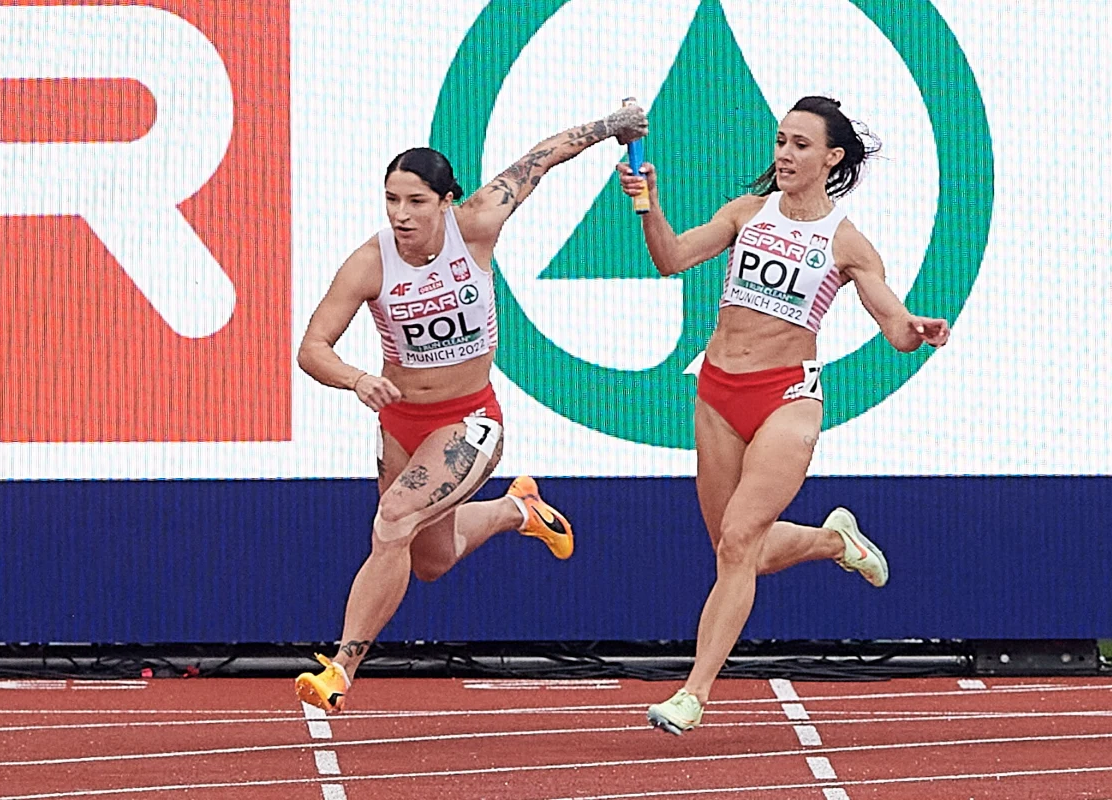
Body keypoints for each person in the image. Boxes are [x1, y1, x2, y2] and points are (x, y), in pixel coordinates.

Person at [294, 104, 648, 713]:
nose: (401, 215)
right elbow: (312, 348)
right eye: (391, 201)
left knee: (392, 521)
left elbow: (541, 159)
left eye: (416, 202)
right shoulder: (371, 261)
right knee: (430, 560)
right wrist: (356, 380)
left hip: (470, 421)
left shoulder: (478, 224)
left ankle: (342, 667)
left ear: (447, 201)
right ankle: (519, 509)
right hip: (402, 423)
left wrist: (612, 126)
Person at [618, 96, 950, 735]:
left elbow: (891, 319)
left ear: (832, 157)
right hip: (716, 394)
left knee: (741, 539)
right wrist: (647, 202)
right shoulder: (748, 212)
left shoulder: (846, 242)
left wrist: (916, 328)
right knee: (734, 549)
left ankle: (693, 693)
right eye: (780, 142)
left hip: (787, 402)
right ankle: (833, 541)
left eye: (800, 145)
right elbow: (671, 258)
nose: (785, 155)